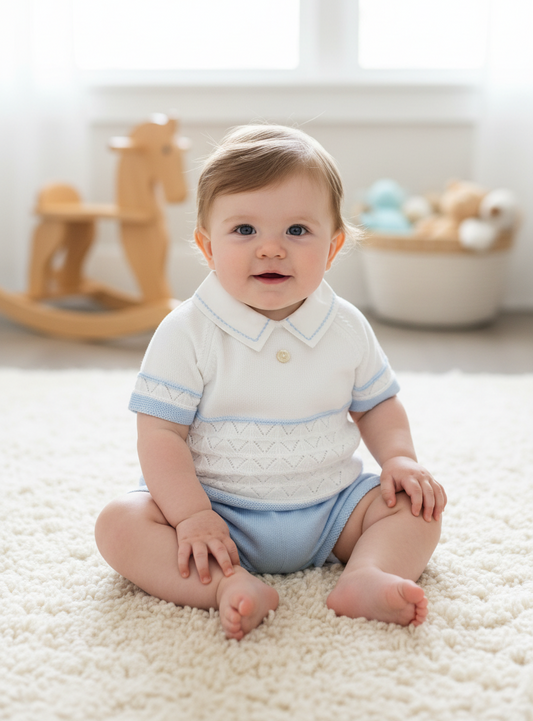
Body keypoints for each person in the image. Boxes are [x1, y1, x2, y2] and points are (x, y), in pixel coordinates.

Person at [95, 124, 446, 641]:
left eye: (297, 231)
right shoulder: (188, 330)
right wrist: (192, 517)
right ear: (207, 246)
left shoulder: (345, 325)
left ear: (333, 247)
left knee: (419, 509)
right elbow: (161, 434)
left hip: (331, 509)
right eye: (244, 231)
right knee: (120, 523)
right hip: (217, 514)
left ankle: (369, 574)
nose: (271, 250)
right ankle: (225, 585)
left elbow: (377, 405)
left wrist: (400, 460)